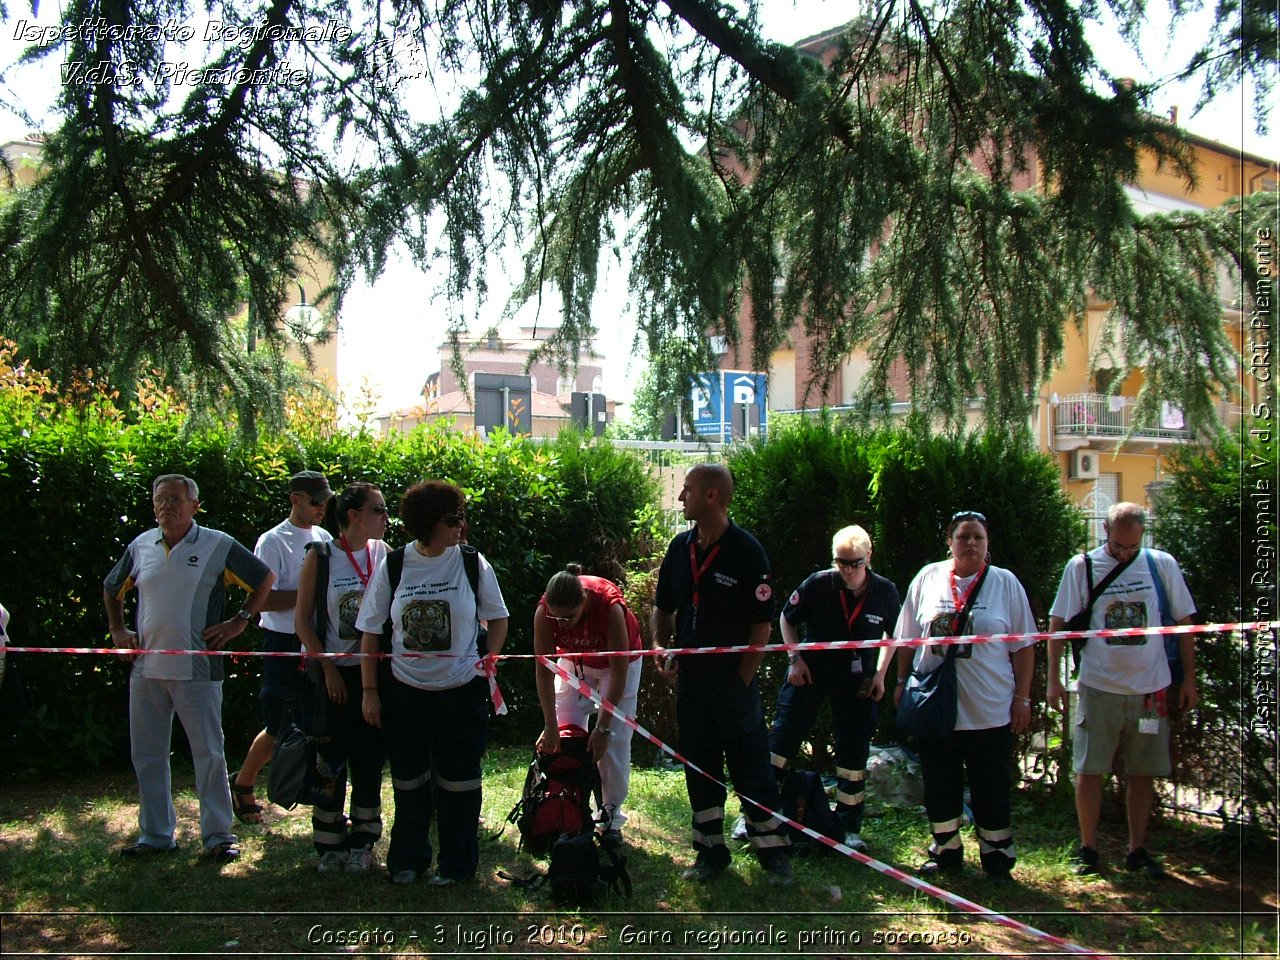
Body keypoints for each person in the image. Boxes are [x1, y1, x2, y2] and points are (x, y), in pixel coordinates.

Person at [103, 474, 274, 863]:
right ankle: (156, 835)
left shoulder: (218, 544)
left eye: (177, 499)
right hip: (146, 668)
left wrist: (240, 621)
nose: (168, 506)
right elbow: (112, 588)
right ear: (153, 506)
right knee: (147, 754)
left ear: (195, 506)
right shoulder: (141, 545)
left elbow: (263, 578)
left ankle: (218, 836)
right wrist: (118, 629)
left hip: (199, 669)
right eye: (161, 499)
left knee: (209, 754)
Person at [355, 480, 509, 886]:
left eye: (461, 517)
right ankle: (408, 859)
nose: (461, 526)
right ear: (426, 524)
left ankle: (457, 866)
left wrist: (485, 661)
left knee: (460, 782)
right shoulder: (395, 565)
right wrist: (370, 692)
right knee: (408, 779)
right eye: (451, 519)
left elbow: (498, 618)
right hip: (405, 692)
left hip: (461, 692)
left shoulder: (473, 563)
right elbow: (370, 631)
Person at [651, 463, 794, 885]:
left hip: (733, 685)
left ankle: (774, 855)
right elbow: (663, 607)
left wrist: (742, 680)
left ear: (712, 496)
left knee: (752, 769)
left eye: (688, 490)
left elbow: (762, 626)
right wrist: (661, 647)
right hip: (692, 685)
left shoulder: (747, 551)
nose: (680, 498)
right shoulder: (680, 549)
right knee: (700, 769)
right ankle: (710, 853)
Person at [884, 510, 1035, 884]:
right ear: (949, 541)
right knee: (940, 782)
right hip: (937, 708)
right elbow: (908, 636)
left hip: (989, 708)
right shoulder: (928, 578)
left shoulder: (1005, 583)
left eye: (978, 537)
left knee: (991, 785)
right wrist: (901, 681)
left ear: (988, 545)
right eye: (963, 536)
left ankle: (997, 857)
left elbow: (1025, 646)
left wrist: (1023, 698)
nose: (970, 543)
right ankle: (945, 851)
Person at [1047, 501, 1197, 878]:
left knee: (1142, 772)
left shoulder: (1162, 565)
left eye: (1132, 547)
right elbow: (1057, 624)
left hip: (1151, 690)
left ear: (1143, 536)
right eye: (1118, 547)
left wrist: (1189, 679)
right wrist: (1053, 679)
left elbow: (1184, 623)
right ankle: (1088, 849)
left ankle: (1137, 850)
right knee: (1089, 769)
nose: (1124, 553)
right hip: (1098, 685)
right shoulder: (1081, 567)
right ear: (1105, 531)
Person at [768, 525, 901, 853]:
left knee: (853, 749)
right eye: (841, 562)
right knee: (782, 738)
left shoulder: (885, 591)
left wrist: (881, 675)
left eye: (855, 563)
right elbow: (786, 618)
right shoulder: (818, 583)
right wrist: (794, 659)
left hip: (858, 678)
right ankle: (758, 814)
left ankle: (849, 825)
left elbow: (892, 636)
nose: (848, 570)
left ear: (868, 558)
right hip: (812, 670)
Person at [294, 483, 390, 873]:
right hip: (330, 678)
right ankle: (329, 841)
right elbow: (302, 623)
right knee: (328, 761)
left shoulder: (383, 554)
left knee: (369, 760)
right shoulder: (321, 556)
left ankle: (364, 840)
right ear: (353, 516)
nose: (386, 518)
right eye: (378, 510)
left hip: (373, 675)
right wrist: (329, 668)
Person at [229, 470, 333, 826]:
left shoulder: (323, 536)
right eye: (315, 501)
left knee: (316, 724)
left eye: (326, 501)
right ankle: (243, 783)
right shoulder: (272, 541)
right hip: (284, 642)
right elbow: (263, 600)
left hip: (315, 641)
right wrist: (308, 594)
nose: (322, 508)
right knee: (279, 725)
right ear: (295, 499)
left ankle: (316, 794)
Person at [533, 564, 644, 848]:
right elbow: (543, 669)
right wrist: (550, 726)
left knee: (613, 744)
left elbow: (619, 673)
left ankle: (610, 816)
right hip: (574, 660)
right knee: (565, 733)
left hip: (618, 666)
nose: (561, 624)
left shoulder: (610, 606)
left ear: (584, 601)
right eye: (555, 617)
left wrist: (603, 728)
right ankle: (567, 804)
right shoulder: (544, 614)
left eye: (568, 617)